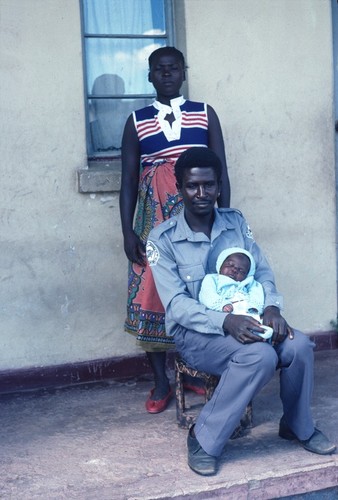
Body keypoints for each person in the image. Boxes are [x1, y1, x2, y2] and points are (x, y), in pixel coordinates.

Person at [146, 147, 336, 476]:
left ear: (220, 186)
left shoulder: (236, 223)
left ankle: (296, 425)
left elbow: (261, 272)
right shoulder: (163, 239)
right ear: (180, 189)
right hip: (196, 334)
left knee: (299, 345)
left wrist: (272, 307)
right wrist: (225, 321)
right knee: (259, 357)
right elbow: (177, 304)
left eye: (209, 185)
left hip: (249, 321)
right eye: (192, 186)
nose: (201, 193)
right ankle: (203, 438)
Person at [119, 46, 230, 414]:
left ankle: (196, 372)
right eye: (158, 69)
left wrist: (225, 221)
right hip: (151, 220)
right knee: (152, 291)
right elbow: (129, 180)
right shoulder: (137, 120)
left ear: (184, 71)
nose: (166, 74)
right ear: (149, 75)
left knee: (200, 288)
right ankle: (161, 381)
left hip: (197, 215)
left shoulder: (204, 114)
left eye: (173, 68)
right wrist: (128, 232)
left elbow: (221, 171)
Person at [199, 247, 265, 315]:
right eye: (230, 265)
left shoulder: (249, 282)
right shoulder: (212, 279)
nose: (234, 270)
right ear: (220, 264)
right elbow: (207, 294)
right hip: (222, 312)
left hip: (247, 310)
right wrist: (222, 305)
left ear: (247, 275)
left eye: (241, 270)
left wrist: (254, 307)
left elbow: (256, 293)